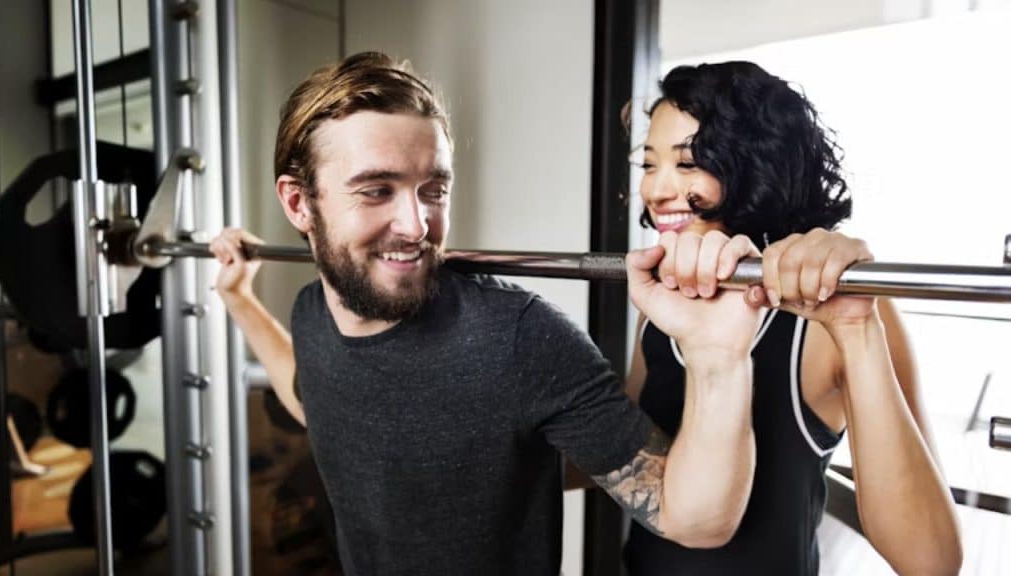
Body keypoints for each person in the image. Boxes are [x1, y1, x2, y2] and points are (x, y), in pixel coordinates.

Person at [210, 52, 770, 574]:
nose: (416, 226)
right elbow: (317, 398)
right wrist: (240, 299)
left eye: (434, 190)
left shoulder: (517, 336)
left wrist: (717, 355)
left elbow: (691, 518)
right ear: (298, 203)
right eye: (377, 190)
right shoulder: (312, 312)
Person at [620, 61, 962, 575]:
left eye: (688, 163)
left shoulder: (832, 321)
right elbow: (621, 458)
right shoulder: (659, 309)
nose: (657, 190)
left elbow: (931, 563)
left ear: (757, 163)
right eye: (650, 164)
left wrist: (857, 330)